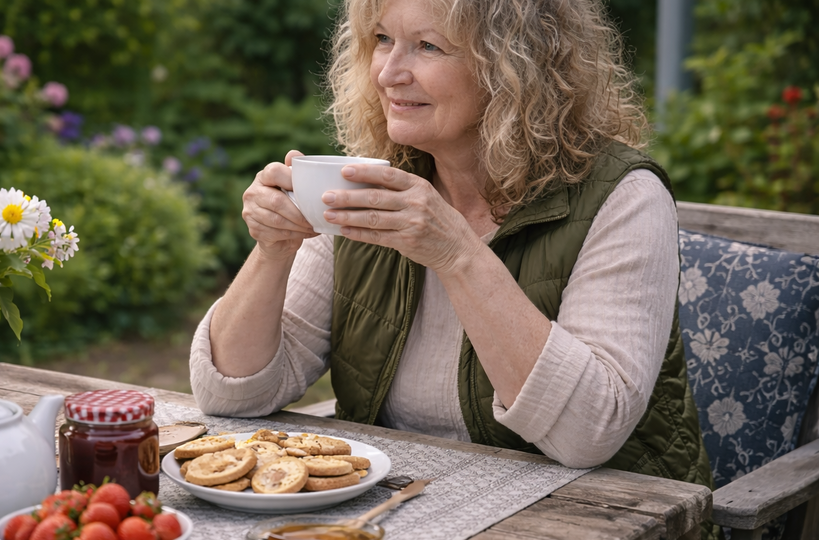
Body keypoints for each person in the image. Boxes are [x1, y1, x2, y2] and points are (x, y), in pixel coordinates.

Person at [189, 0, 715, 535]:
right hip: (403, 513)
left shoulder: (626, 197)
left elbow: (589, 432)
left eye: (428, 46)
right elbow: (233, 394)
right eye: (382, 39)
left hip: (599, 520)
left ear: (515, 67)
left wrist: (457, 254)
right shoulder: (371, 187)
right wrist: (274, 248)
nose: (389, 72)